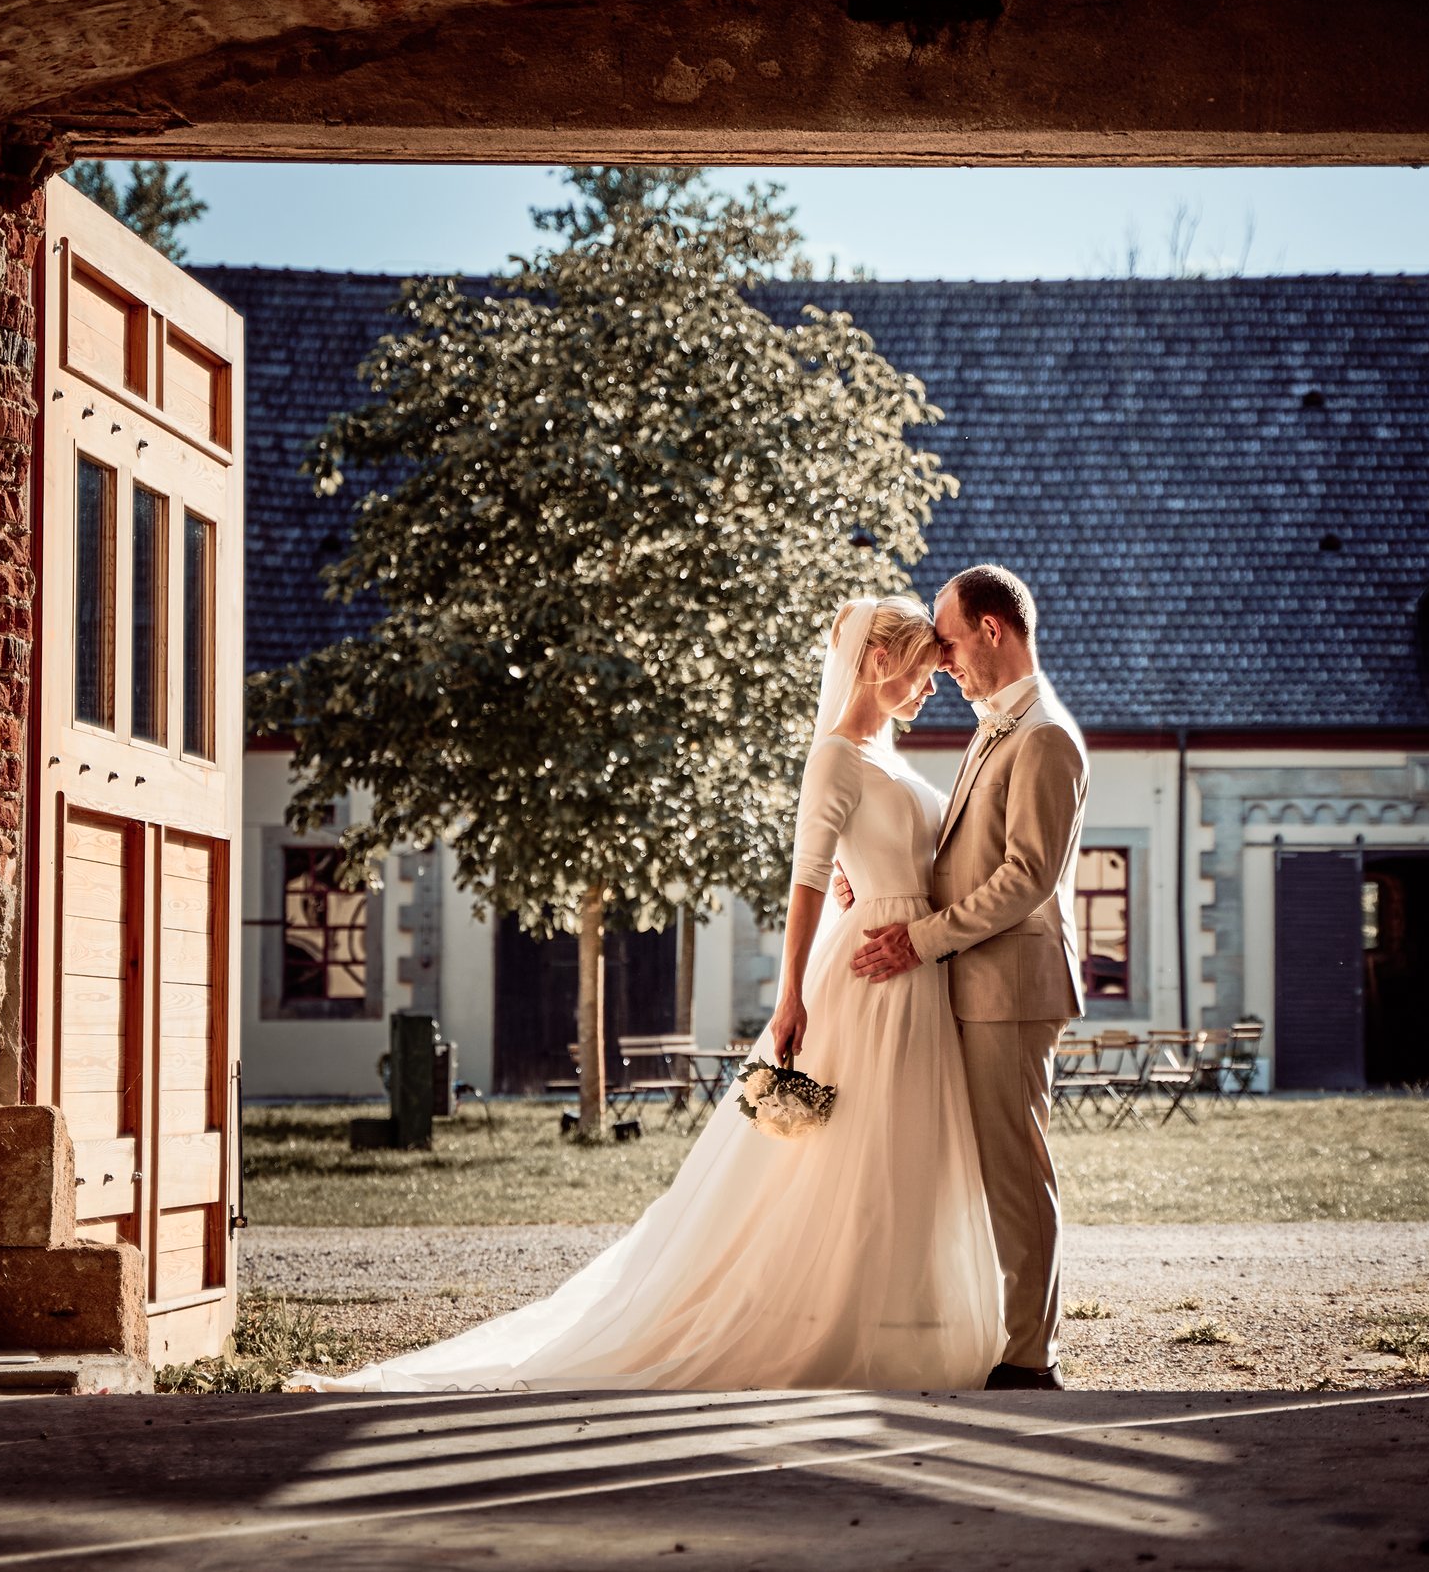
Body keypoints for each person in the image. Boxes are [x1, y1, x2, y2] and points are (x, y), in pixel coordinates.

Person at [295, 596, 1004, 1391]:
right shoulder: (836, 755)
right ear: (879, 664)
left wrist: (876, 881)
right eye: (920, 668)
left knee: (905, 1151)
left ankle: (902, 1321)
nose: (932, 684)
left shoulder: (891, 760)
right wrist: (789, 995)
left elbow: (885, 855)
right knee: (840, 1160)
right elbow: (805, 880)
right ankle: (826, 1322)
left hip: (915, 970)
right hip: (868, 980)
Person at [851, 565, 1089, 1390]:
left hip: (1009, 989)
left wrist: (918, 938)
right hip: (970, 983)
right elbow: (959, 855)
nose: (942, 659)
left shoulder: (1046, 738)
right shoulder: (996, 729)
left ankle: (1032, 1355)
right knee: (983, 1167)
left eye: (950, 639)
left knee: (1016, 1171)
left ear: (993, 629)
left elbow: (1026, 878)